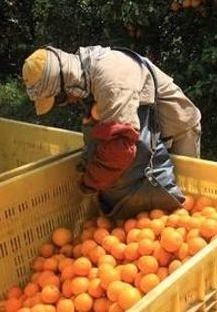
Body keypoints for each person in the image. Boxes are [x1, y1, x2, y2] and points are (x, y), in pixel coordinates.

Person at [21, 45, 201, 216]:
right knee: (167, 205)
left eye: (60, 100)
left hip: (178, 128)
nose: (67, 102)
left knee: (186, 202)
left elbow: (121, 149)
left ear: (65, 82)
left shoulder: (111, 81)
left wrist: (90, 183)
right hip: (154, 133)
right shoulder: (87, 71)